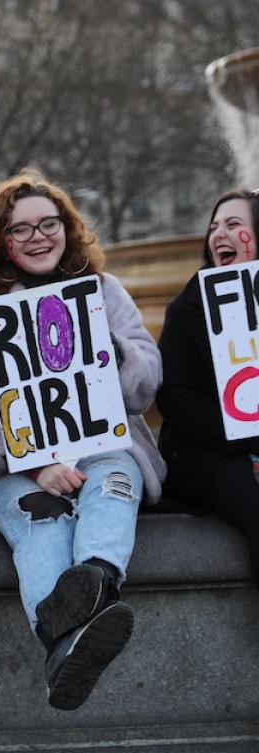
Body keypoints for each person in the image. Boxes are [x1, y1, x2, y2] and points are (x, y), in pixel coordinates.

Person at [0, 169, 165, 711]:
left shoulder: (104, 291)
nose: (38, 237)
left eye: (49, 223)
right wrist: (34, 463)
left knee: (116, 482)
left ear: (67, 229)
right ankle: (70, 640)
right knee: (42, 520)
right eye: (20, 229)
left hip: (102, 445)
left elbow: (146, 380)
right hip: (12, 469)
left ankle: (93, 582)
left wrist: (111, 349)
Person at [157, 189, 259, 581]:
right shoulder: (188, 306)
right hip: (209, 453)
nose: (218, 234)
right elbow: (173, 396)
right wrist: (244, 438)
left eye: (234, 225)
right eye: (213, 227)